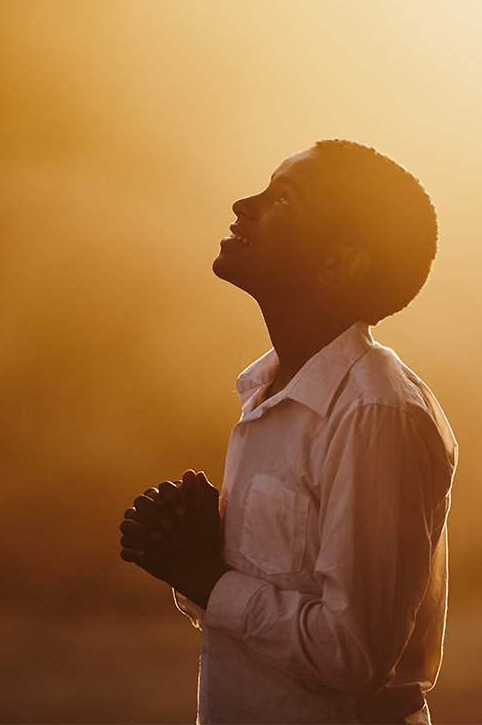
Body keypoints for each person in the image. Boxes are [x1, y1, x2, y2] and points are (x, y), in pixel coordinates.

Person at [120, 139, 458, 724]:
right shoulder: (270, 394)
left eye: (282, 197)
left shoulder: (375, 413)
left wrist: (208, 577)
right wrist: (202, 559)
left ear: (340, 264)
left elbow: (353, 654)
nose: (242, 204)